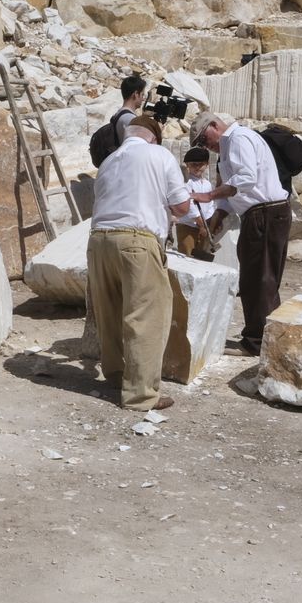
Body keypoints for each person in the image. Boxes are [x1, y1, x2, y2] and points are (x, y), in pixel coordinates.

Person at [87, 116, 192, 411]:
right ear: (154, 137)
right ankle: (140, 394)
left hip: (98, 241)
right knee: (146, 315)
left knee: (109, 312)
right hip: (137, 239)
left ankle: (117, 374)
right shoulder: (159, 155)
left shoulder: (108, 161)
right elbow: (181, 207)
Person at [188, 111, 290, 356]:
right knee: (259, 276)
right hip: (259, 214)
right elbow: (233, 191)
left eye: (204, 139)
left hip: (264, 213)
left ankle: (255, 341)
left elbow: (246, 179)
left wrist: (210, 196)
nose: (206, 147)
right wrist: (219, 215)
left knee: (259, 278)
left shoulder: (238, 139)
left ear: (214, 125)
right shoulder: (226, 149)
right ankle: (268, 337)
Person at [173, 147, 217, 257]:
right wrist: (202, 224)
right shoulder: (187, 182)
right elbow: (190, 206)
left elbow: (210, 204)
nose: (197, 168)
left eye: (200, 164)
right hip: (187, 226)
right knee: (186, 257)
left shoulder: (207, 184)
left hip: (204, 227)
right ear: (187, 165)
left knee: (201, 259)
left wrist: (207, 225)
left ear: (206, 164)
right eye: (193, 164)